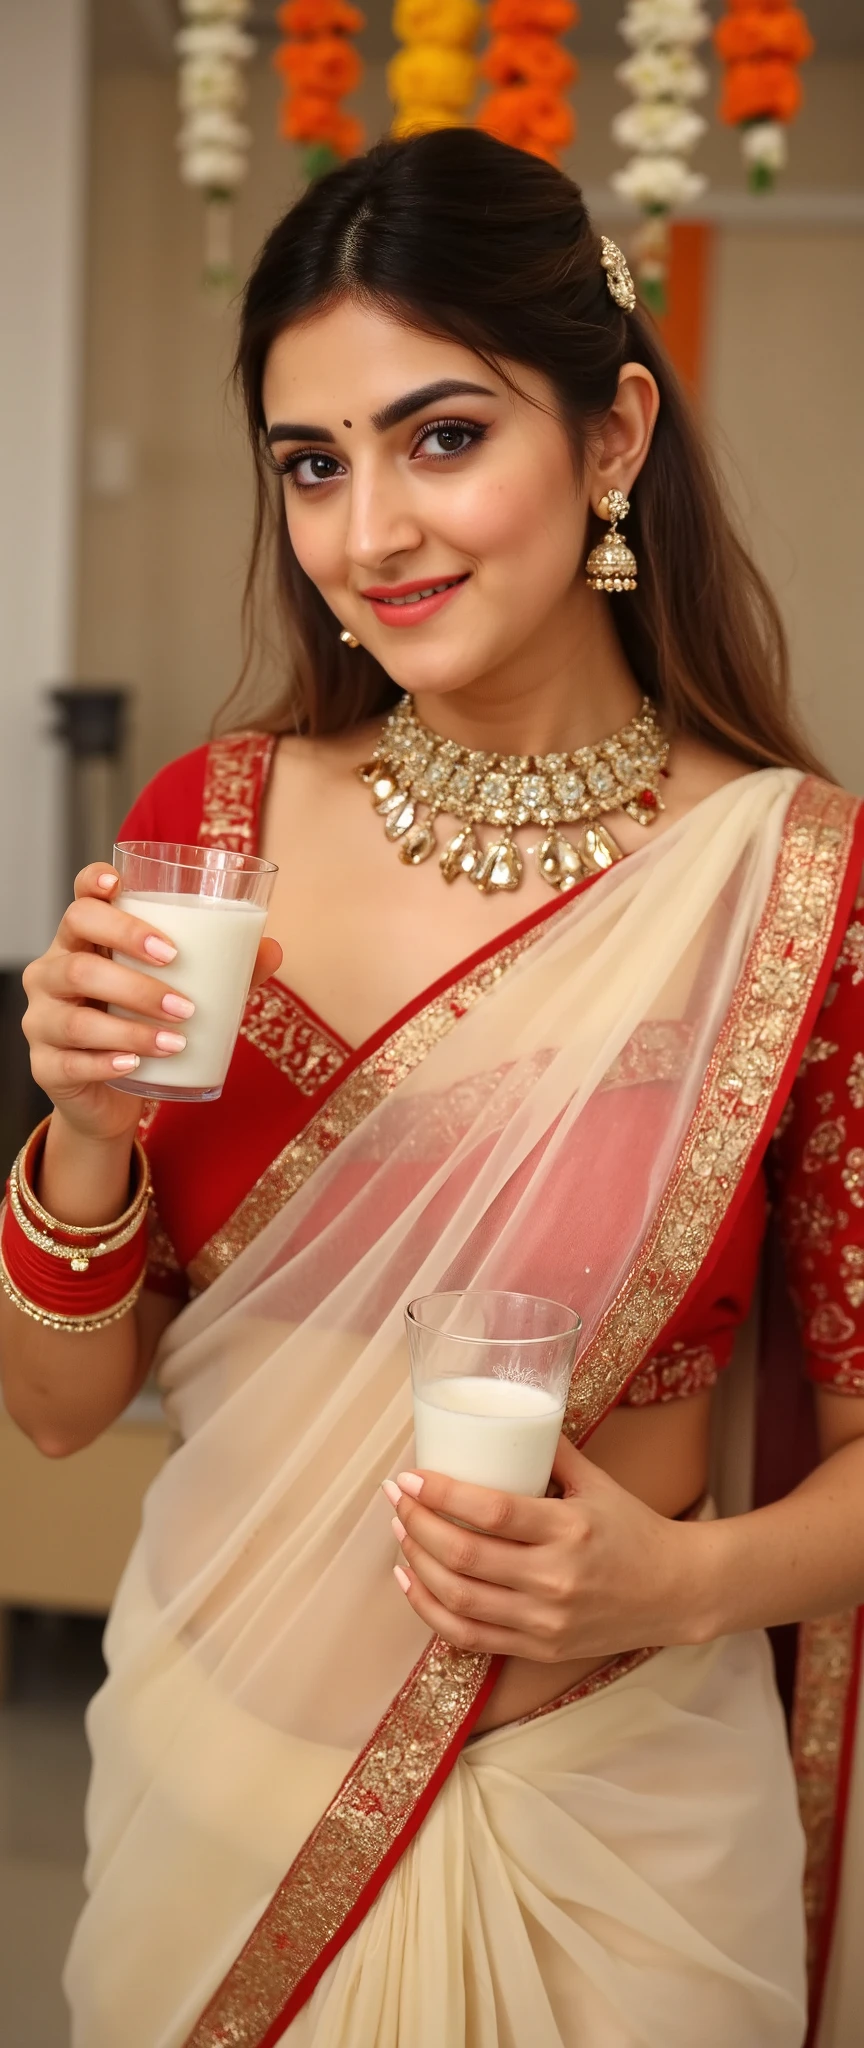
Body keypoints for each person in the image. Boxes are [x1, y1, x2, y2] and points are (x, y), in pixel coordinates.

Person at [2, 130, 863, 2048]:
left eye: (442, 437)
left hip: (614, 1836)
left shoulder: (792, 892)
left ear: (615, 436)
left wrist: (680, 1583)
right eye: (314, 465)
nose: (369, 531)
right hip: (214, 1795)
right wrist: (82, 1130)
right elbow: (61, 1414)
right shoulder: (201, 837)